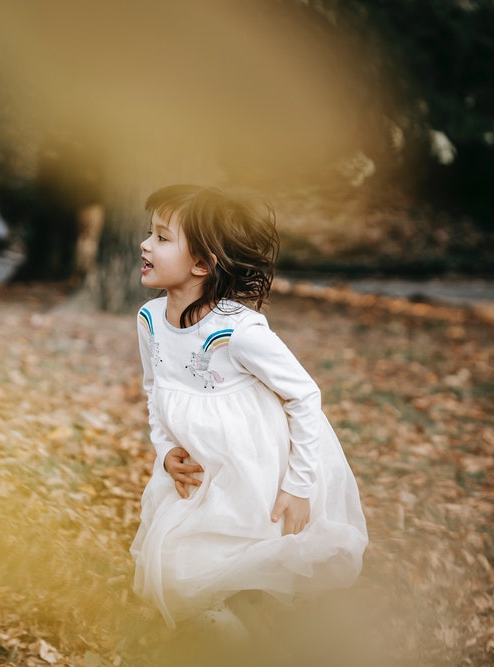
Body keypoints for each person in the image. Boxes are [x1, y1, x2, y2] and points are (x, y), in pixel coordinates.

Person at [130, 185, 368, 634]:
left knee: (254, 551)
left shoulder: (238, 331)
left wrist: (298, 487)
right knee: (182, 556)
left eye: (162, 238)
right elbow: (155, 388)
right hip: (203, 466)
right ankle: (220, 622)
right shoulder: (149, 321)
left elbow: (304, 396)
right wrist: (165, 450)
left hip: (257, 467)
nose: (145, 244)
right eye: (149, 234)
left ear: (201, 263)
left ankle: (259, 629)